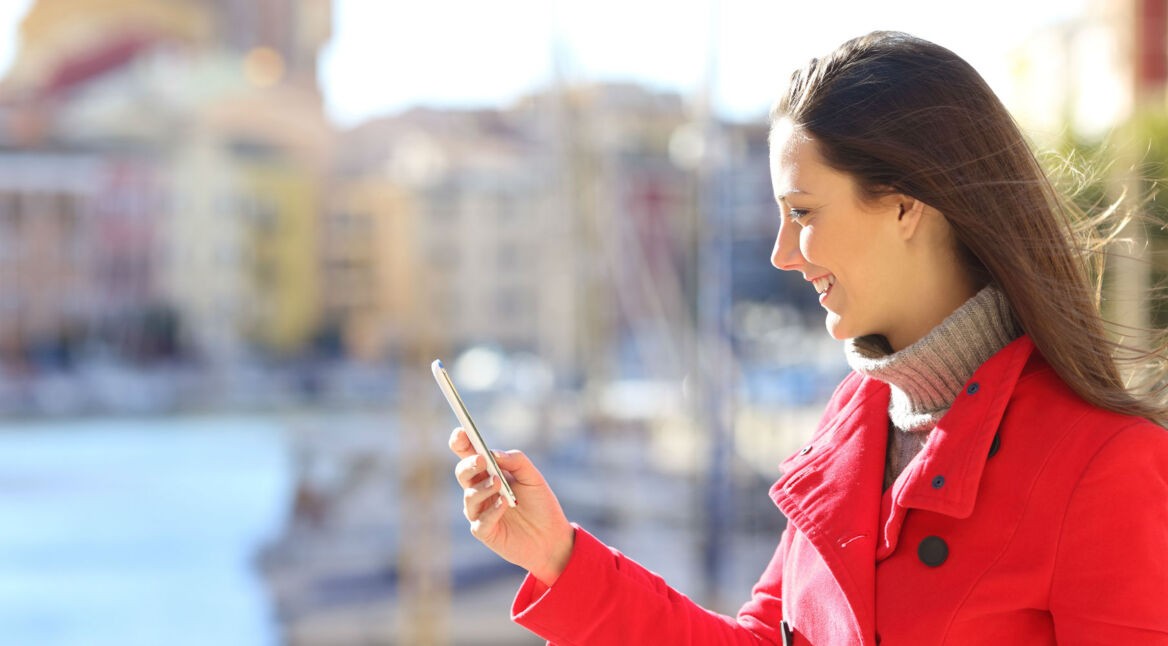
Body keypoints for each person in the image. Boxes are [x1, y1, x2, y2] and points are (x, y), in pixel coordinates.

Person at [448, 31, 1168, 645]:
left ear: (905, 206)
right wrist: (558, 557)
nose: (781, 253)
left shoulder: (1104, 464)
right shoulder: (852, 425)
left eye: (802, 211)